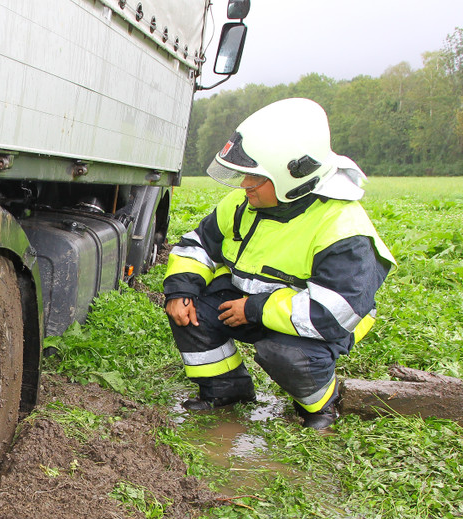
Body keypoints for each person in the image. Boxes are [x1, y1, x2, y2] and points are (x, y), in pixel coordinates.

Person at [163, 98, 395, 430]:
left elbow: (332, 313)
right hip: (251, 304)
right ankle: (227, 391)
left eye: (255, 178)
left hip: (317, 323)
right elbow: (198, 244)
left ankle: (320, 405)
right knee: (190, 311)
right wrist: (181, 289)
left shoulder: (344, 230)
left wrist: (254, 309)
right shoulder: (245, 203)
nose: (245, 186)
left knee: (285, 355)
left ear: (293, 178)